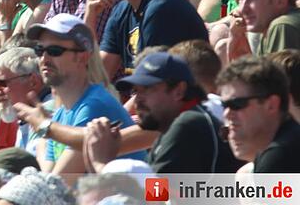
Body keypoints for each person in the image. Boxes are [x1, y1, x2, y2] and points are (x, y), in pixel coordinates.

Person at [18, 14, 137, 173]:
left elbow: (58, 181)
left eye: (54, 51)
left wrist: (43, 126)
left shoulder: (94, 106)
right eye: (40, 50)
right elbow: (49, 174)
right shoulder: (61, 113)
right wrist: (44, 130)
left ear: (82, 58)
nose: (44, 59)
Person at [84, 52, 240, 173]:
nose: (138, 100)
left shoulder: (189, 124)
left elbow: (155, 196)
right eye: (136, 91)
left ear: (179, 91)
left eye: (147, 89)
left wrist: (101, 164)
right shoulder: (173, 126)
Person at [217, 55, 300, 172]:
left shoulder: (280, 157)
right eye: (224, 105)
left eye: (237, 103)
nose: (227, 114)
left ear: (271, 104)